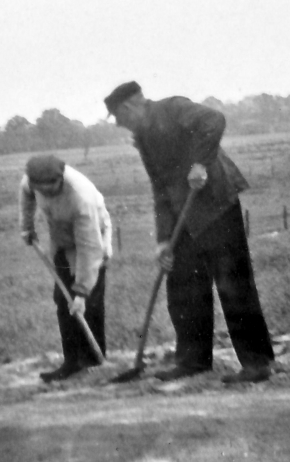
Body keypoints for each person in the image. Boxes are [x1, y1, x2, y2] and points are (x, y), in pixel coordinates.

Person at [104, 81, 275, 384]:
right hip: (183, 215)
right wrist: (162, 241)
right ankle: (193, 360)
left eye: (120, 118)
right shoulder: (143, 137)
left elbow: (214, 120)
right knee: (183, 286)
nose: (121, 125)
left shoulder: (173, 108)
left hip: (215, 204)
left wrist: (200, 163)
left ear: (130, 107)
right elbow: (160, 188)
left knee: (233, 284)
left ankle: (257, 363)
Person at [19, 154, 114, 382]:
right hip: (61, 240)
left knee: (88, 304)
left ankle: (93, 361)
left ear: (60, 179)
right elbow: (26, 196)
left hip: (93, 239)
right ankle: (72, 362)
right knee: (63, 302)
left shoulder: (81, 198)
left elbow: (90, 248)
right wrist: (27, 227)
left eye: (51, 188)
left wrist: (81, 291)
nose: (47, 192)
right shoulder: (30, 182)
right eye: (41, 189)